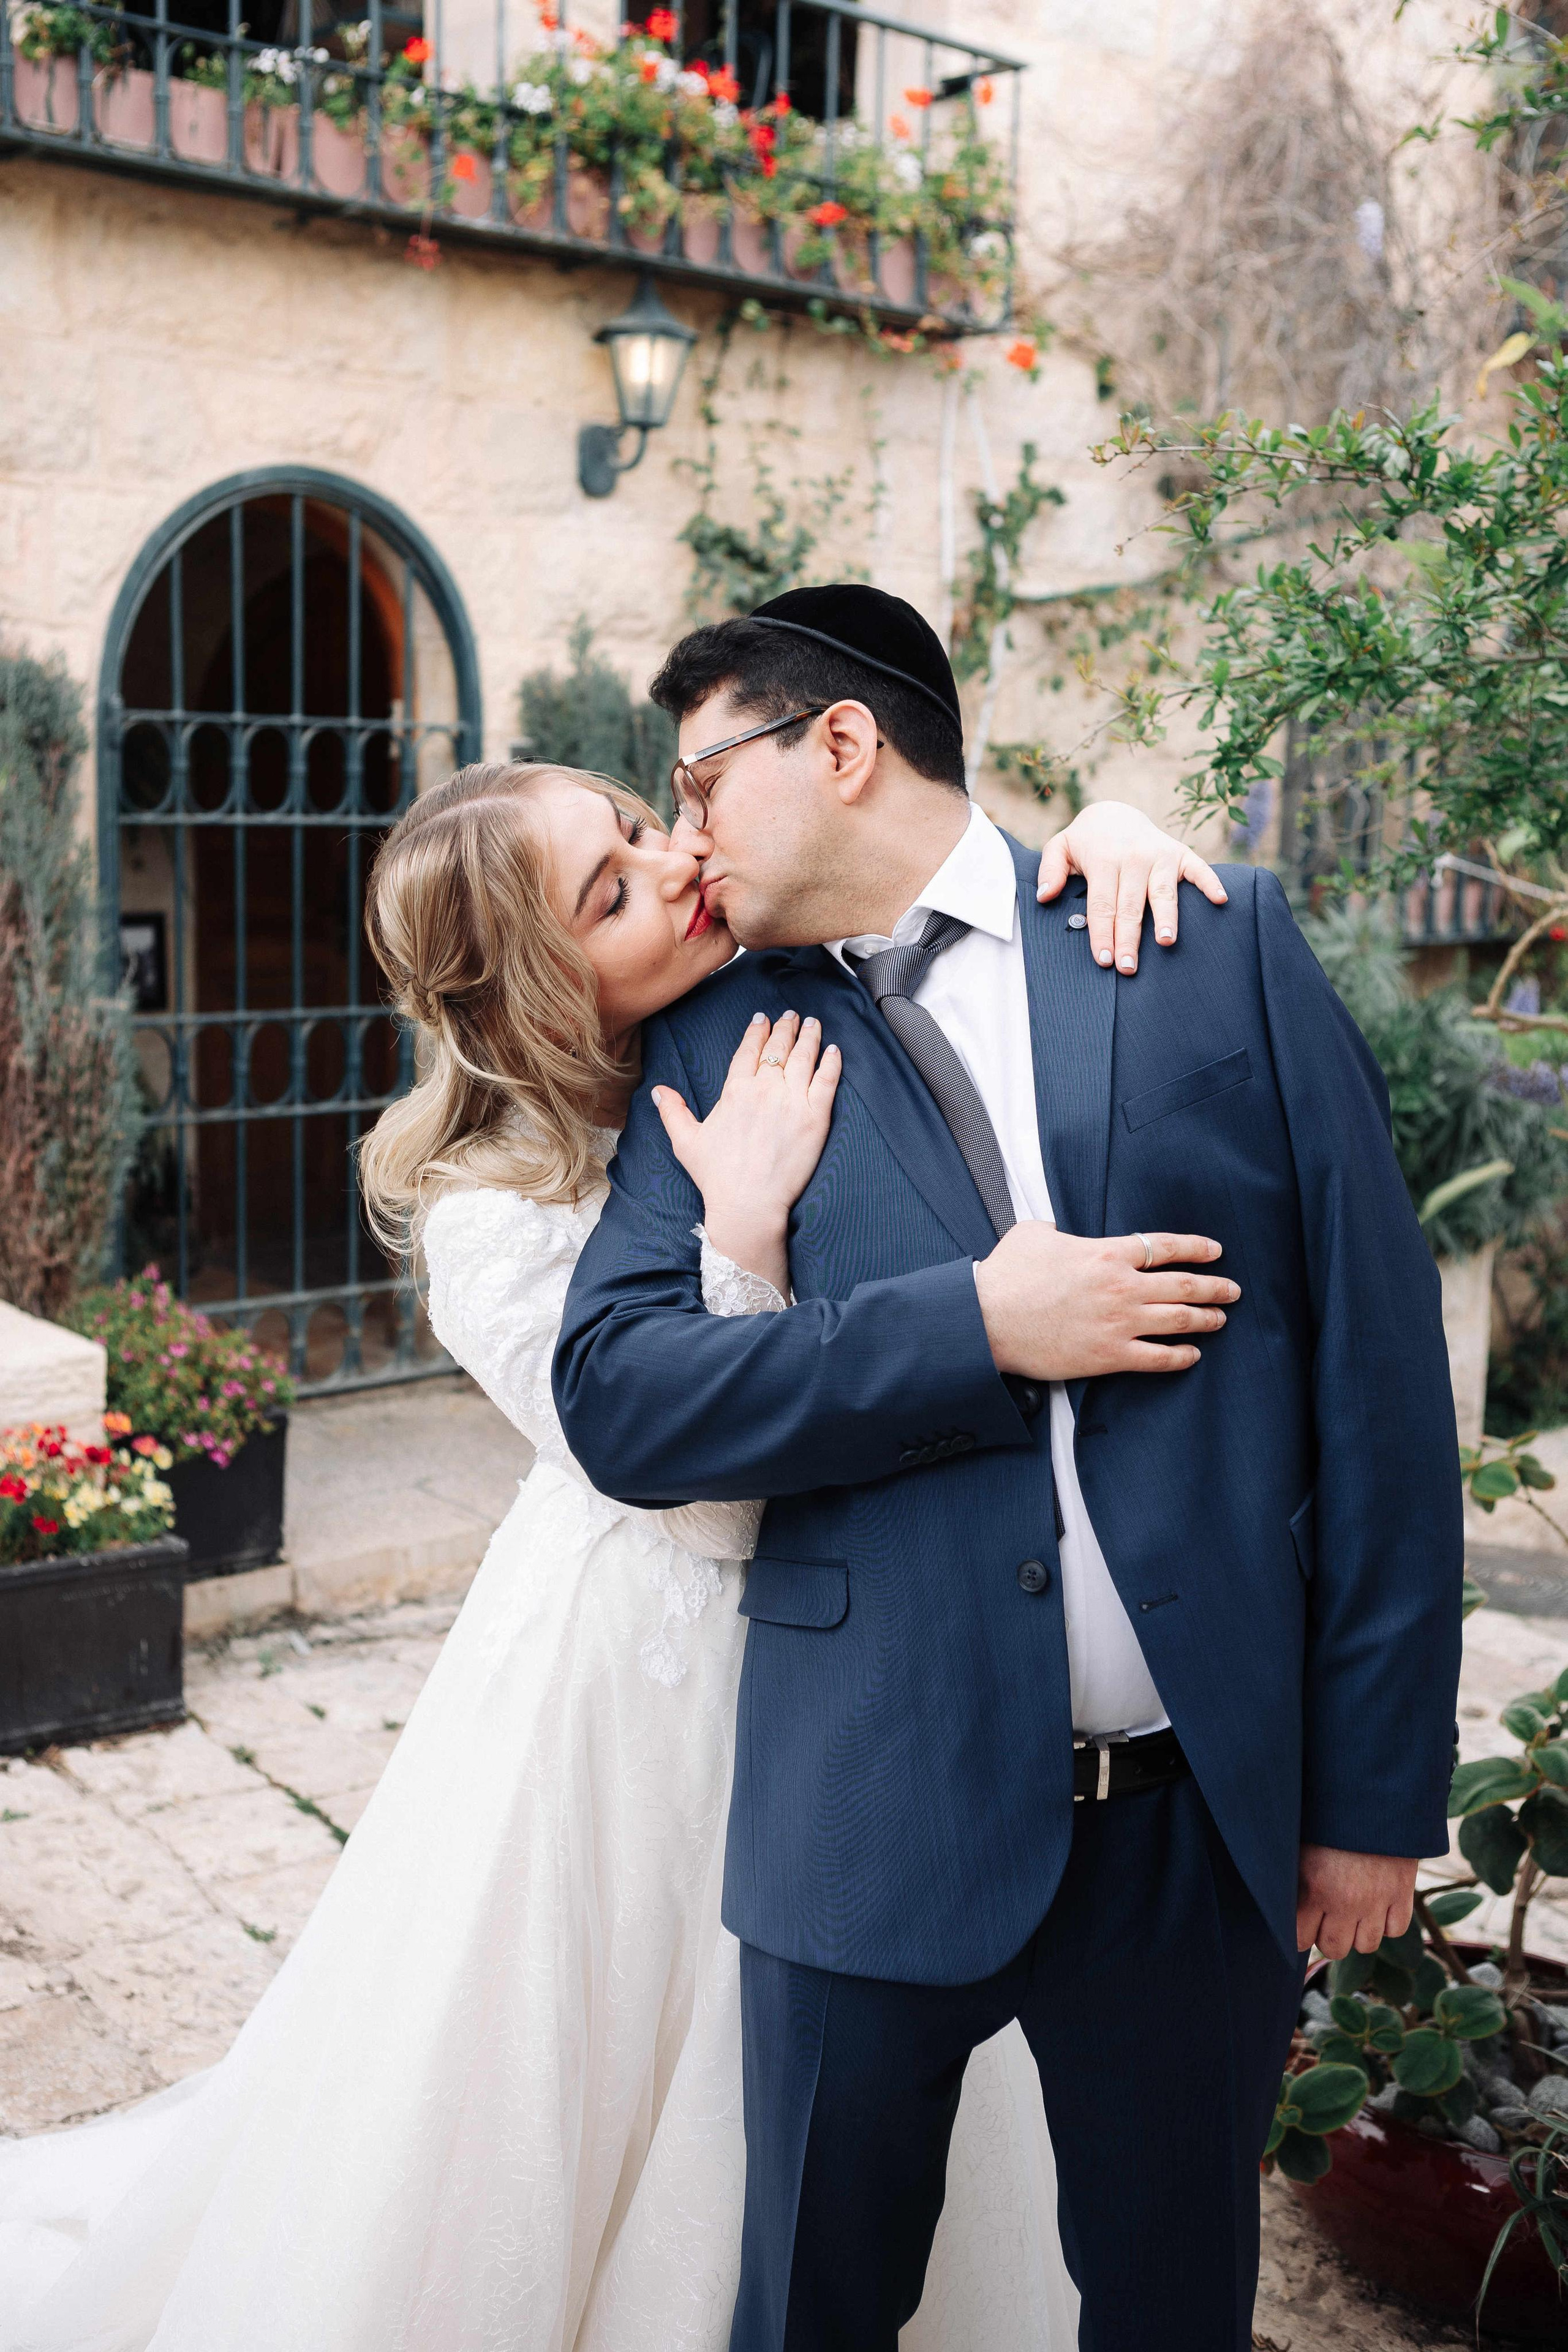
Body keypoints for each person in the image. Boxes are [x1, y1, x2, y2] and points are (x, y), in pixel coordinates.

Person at [0, 742, 1213, 2351]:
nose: (675, 866)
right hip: (644, 1685)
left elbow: (940, 901)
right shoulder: (491, 1222)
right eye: (613, 890)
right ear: (530, 992)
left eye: (642, 828)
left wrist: (1106, 839)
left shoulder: (771, 993)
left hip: (873, 1659)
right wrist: (744, 1234)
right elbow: (703, 1503)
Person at [552, 584, 1466, 2352]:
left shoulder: (1207, 939)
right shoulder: (716, 1041)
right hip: (864, 1807)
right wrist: (975, 1322)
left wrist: (1368, 1799)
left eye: (698, 782)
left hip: (1192, 1836)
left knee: (1175, 2310)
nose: (683, 842)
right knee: (809, 2310)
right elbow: (625, 1398)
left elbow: (1373, 1378)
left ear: (840, 744)